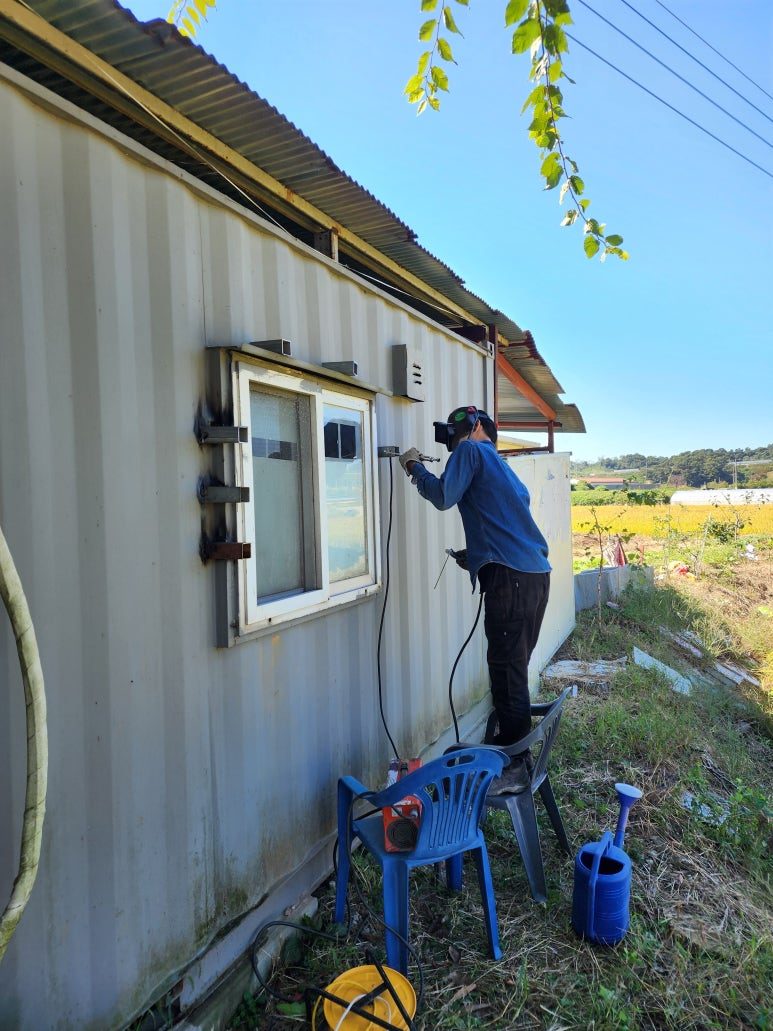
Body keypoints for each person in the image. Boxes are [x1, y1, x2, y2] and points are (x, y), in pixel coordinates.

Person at [400, 405, 551, 772]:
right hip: (535, 576)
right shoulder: (502, 467)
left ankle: (514, 763)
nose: (455, 446)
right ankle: (512, 748)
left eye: (457, 435)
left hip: (510, 580)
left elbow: (443, 496)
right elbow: (501, 522)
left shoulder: (471, 450)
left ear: (478, 427)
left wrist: (414, 467)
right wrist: (479, 554)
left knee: (505, 669)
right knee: (514, 665)